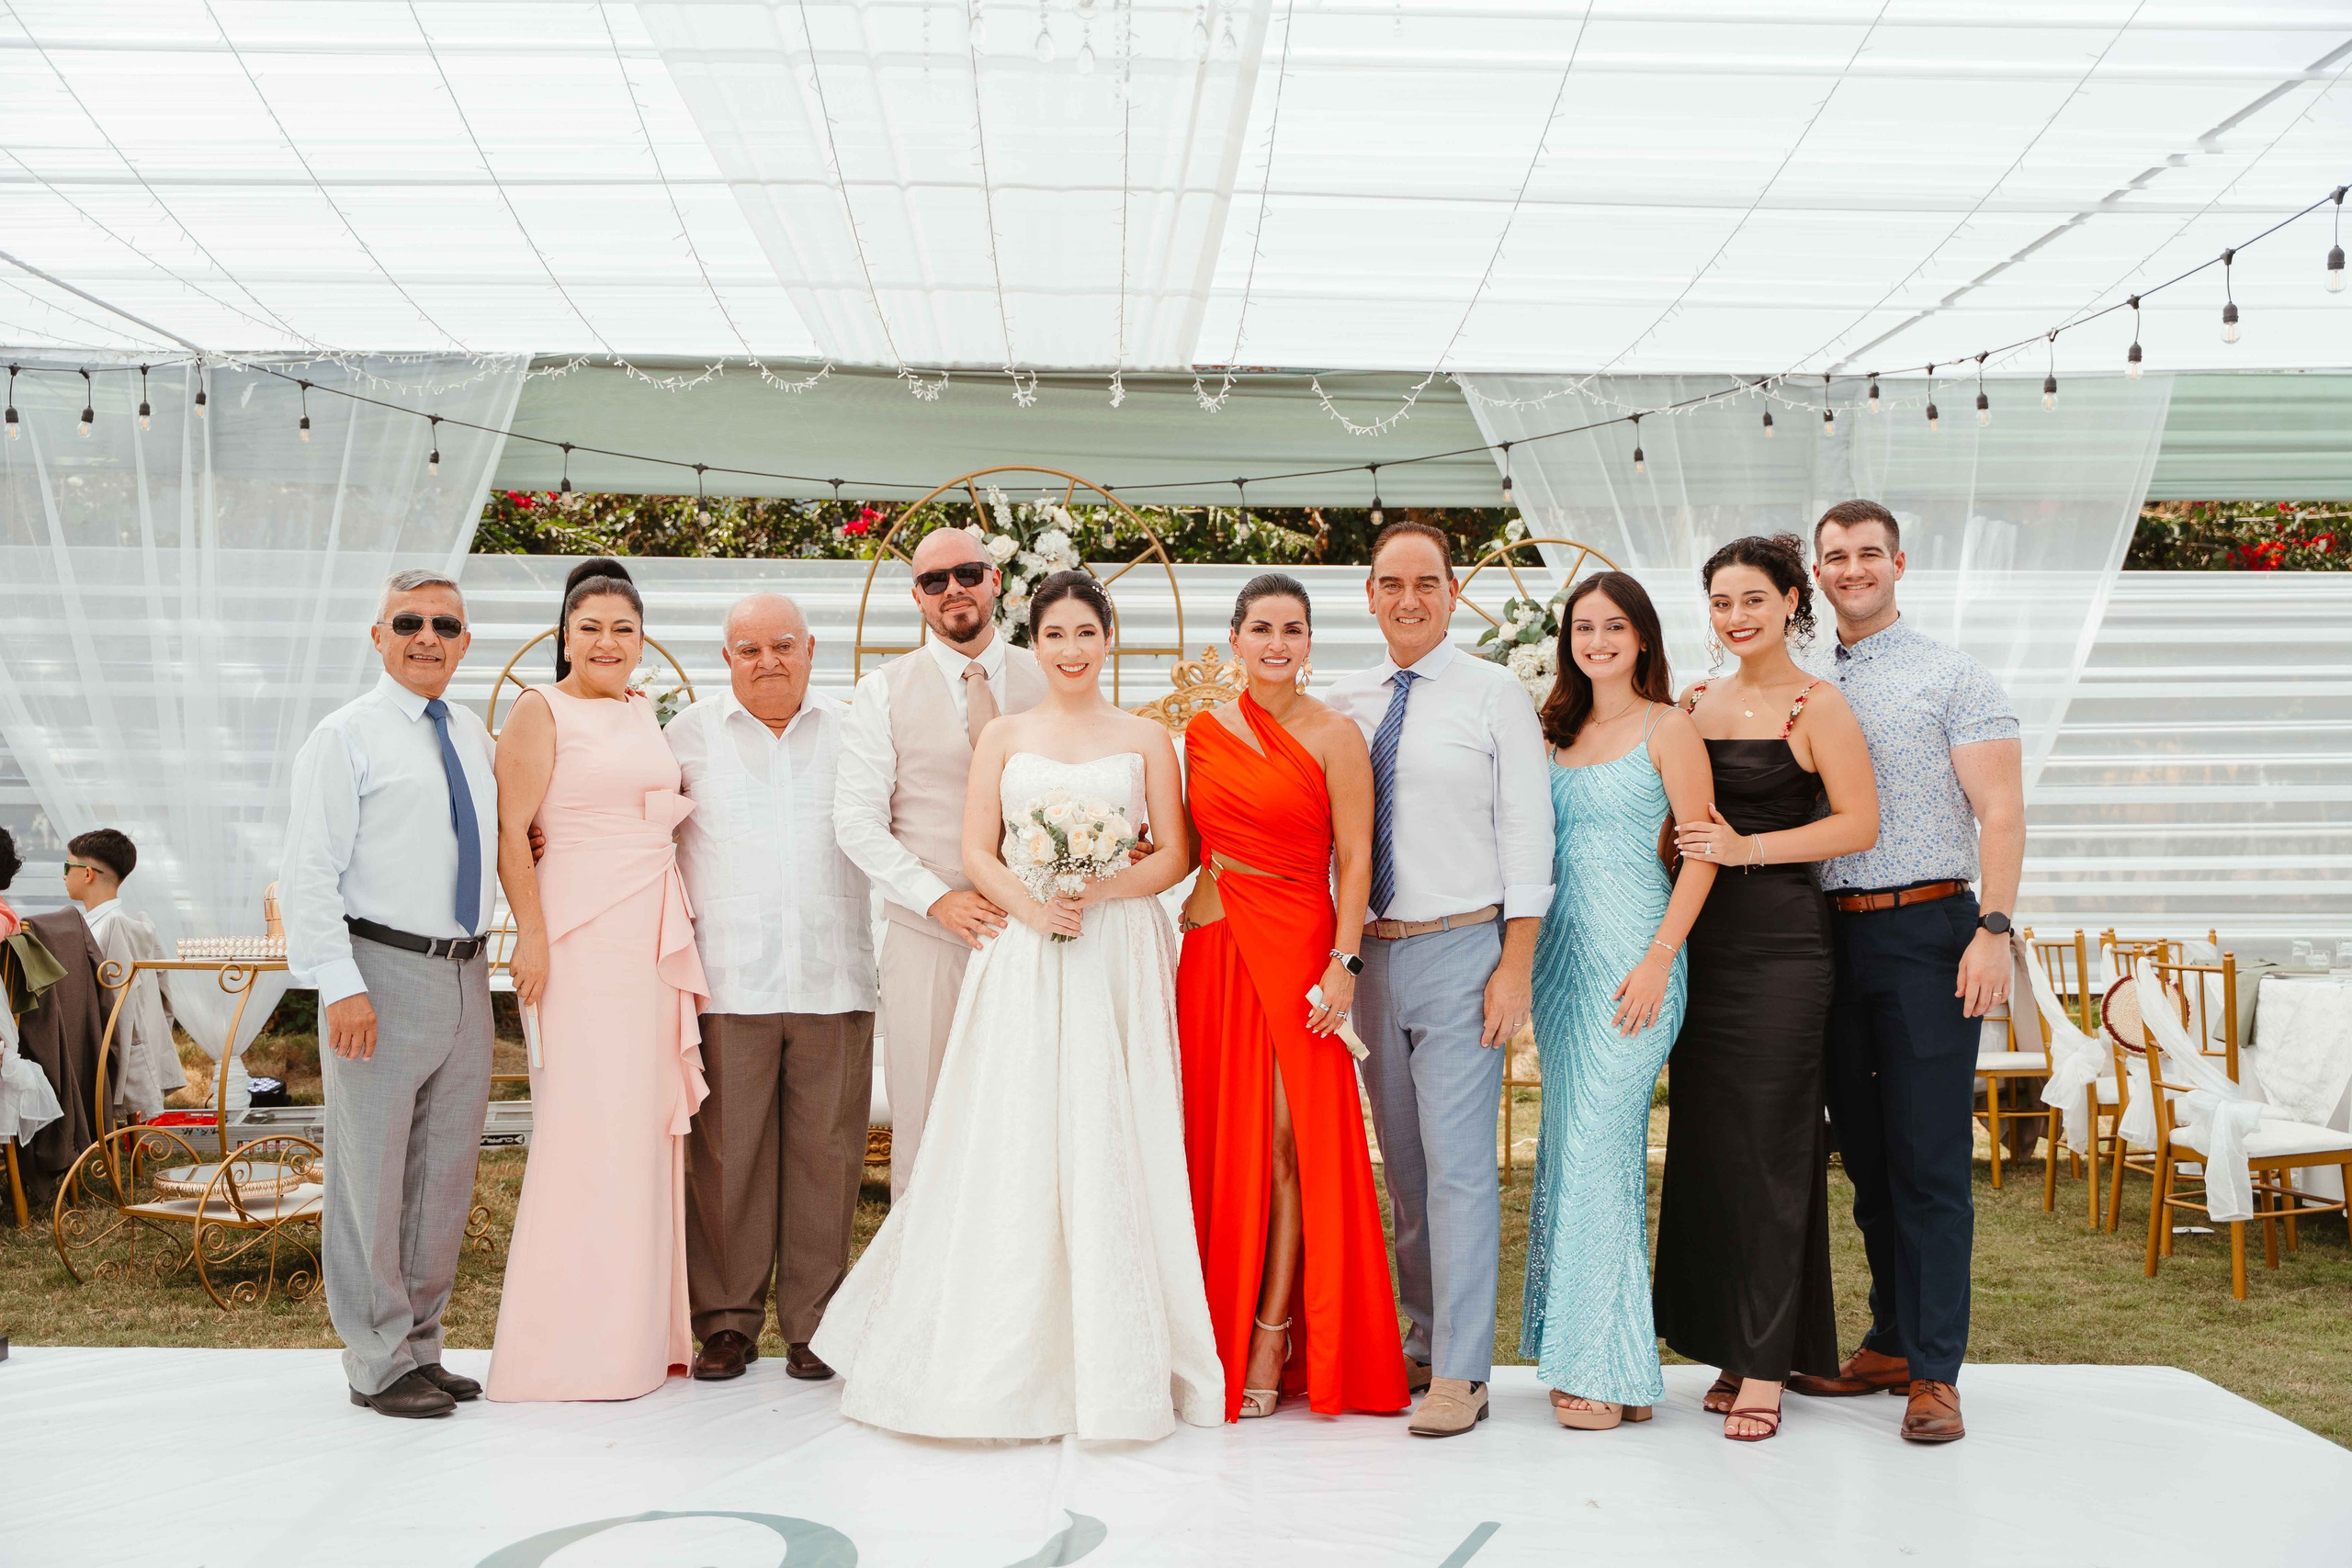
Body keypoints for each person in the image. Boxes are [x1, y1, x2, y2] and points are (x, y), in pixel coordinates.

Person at [811, 571, 1221, 1440]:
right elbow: (976, 846)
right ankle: (1001, 1337)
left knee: (1118, 1122)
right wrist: (1035, 905)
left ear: (1109, 638)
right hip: (1027, 949)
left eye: (1086, 632)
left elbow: (1177, 851)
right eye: (1056, 634)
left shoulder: (1148, 736)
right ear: (1034, 642)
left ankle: (1121, 1349)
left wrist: (1102, 886)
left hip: (1117, 949)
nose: (1071, 649)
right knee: (1017, 1123)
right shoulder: (1004, 733)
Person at [1788, 500, 2024, 1446]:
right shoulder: (1797, 680)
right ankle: (1887, 1338)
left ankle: (1935, 1375)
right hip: (1825, 939)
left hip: (1929, 932)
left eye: (1866, 554)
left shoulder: (1952, 675)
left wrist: (1993, 930)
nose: (1851, 570)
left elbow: (1999, 813)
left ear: (1898, 562)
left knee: (1929, 1160)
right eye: (1834, 557)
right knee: (1866, 1156)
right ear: (1817, 570)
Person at [1326, 520, 1555, 1440]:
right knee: (1407, 1170)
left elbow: (1528, 834)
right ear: (1370, 596)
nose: (1409, 598)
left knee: (1459, 1167)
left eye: (1427, 582)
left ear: (1452, 593)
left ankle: (1463, 1370)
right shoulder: (1345, 702)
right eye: (1391, 583)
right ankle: (1420, 1341)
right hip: (1370, 956)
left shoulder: (1495, 695)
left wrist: (1514, 966)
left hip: (1463, 948)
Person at [1655, 533, 1879, 1442]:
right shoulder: (1692, 701)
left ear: (1792, 599)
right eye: (1720, 602)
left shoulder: (1817, 705)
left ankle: (1767, 1362)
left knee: (1774, 1150)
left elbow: (1859, 824)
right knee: (1708, 1147)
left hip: (1784, 948)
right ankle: (1728, 1343)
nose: (1735, 616)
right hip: (1700, 945)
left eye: (1752, 599)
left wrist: (1749, 848)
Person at [1177, 574, 1407, 1423]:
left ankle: (1273, 1332)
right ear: (1235, 637)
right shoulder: (1200, 733)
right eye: (1262, 627)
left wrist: (1344, 963)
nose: (1279, 642)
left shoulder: (1336, 733)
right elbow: (1180, 845)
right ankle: (1207, 1334)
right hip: (1211, 950)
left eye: (1295, 629)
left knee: (1288, 1143)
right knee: (1215, 1141)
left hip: (1302, 948)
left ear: (1310, 642)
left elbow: (1357, 861)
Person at [487, 563, 710, 1403]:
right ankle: (567, 1349)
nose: (608, 642)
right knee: (587, 1127)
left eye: (623, 627)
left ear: (641, 637)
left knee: (644, 1129)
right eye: (591, 627)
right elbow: (515, 831)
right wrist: (532, 938)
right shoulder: (539, 711)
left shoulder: (639, 710)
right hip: (579, 941)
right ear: (565, 636)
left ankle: (641, 1338)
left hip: (649, 939)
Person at [281, 568, 499, 1419]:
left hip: (467, 971)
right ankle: (374, 1360)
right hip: (379, 968)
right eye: (407, 621)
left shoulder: (474, 733)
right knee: (370, 1173)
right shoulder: (345, 736)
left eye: (445, 624)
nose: (427, 636)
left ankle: (421, 1345)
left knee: (442, 1174)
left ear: (464, 641)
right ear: (377, 635)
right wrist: (340, 985)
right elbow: (308, 871)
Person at [1521, 572, 1715, 1431]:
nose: (1597, 640)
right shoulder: (1553, 731)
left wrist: (1658, 958)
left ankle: (1601, 1366)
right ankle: (1611, 1367)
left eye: (1614, 626)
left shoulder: (1669, 726)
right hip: (1561, 965)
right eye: (1583, 626)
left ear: (1642, 637)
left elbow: (1702, 852)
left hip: (1639, 962)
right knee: (1570, 1150)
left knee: (1602, 1151)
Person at [668, 593, 876, 1385]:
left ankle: (816, 1323)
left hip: (835, 973)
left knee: (828, 1158)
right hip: (729, 980)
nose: (768, 661)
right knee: (727, 1160)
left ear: (811, 648)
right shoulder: (686, 734)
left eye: (782, 645)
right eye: (748, 649)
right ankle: (725, 1321)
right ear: (727, 658)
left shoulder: (856, 729)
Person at [834, 525, 1046, 1197]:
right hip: (928, 935)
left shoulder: (1049, 675)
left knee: (1027, 1116)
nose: (953, 588)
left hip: (1033, 937)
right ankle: (920, 1288)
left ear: (995, 581)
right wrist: (938, 898)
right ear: (920, 599)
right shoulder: (884, 689)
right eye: (935, 580)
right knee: (926, 1116)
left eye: (967, 573)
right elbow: (855, 820)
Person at [61, 829, 180, 1121]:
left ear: (87, 873)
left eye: (67, 867)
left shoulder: (104, 930)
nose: (63, 876)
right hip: (136, 1049)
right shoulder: (135, 925)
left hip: (99, 1052)